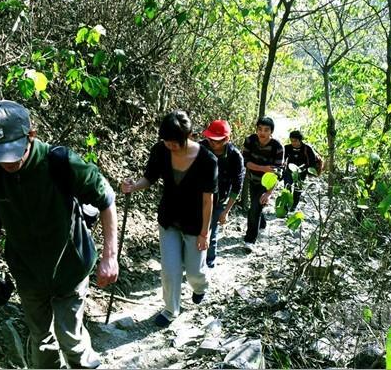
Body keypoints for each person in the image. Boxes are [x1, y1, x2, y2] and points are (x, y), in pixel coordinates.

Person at [0, 100, 118, 369]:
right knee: (41, 340)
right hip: (27, 271)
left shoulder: (60, 162)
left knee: (70, 337)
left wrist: (110, 255)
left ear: (31, 135)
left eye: (12, 152)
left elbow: (106, 199)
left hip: (70, 267)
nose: (6, 162)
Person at [121, 110, 218, 328]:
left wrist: (205, 233)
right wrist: (133, 186)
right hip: (169, 220)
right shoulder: (161, 150)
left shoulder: (207, 160)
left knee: (195, 272)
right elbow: (149, 177)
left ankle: (201, 287)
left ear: (188, 135)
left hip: (195, 224)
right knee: (170, 269)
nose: (170, 146)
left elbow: (207, 201)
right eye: (166, 141)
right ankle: (170, 309)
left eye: (175, 142)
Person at [199, 120, 244, 268]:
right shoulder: (201, 148)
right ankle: (192, 261)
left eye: (216, 140)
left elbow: (237, 187)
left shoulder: (235, 157)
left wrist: (226, 211)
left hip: (219, 200)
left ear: (226, 139)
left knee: (210, 233)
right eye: (210, 139)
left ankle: (208, 263)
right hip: (197, 197)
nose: (212, 143)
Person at [242, 116, 284, 250]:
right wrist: (263, 168)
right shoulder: (250, 140)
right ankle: (263, 224)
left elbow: (277, 172)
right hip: (253, 179)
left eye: (266, 130)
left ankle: (250, 240)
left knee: (253, 209)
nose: (262, 133)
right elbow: (246, 162)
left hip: (267, 183)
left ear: (271, 131)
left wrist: (269, 193)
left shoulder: (277, 147)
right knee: (257, 205)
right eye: (260, 129)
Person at [283, 130, 317, 211]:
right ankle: (286, 204)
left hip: (301, 172)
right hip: (289, 171)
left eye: (295, 141)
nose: (293, 143)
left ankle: (294, 206)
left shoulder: (307, 149)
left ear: (300, 140)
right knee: (287, 187)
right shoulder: (287, 148)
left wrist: (309, 172)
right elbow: (282, 159)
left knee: (297, 190)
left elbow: (312, 162)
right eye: (291, 141)